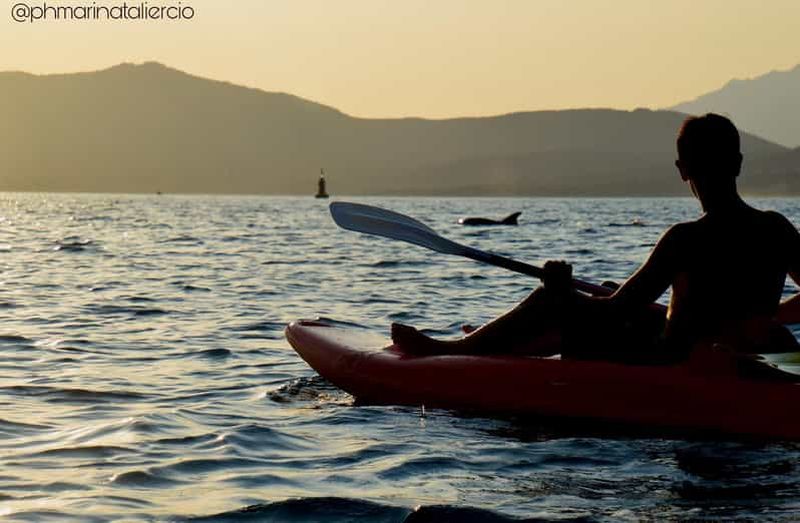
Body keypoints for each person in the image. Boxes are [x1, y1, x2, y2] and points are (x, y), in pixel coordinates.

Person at [392, 113, 800, 364]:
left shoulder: (685, 239)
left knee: (554, 301)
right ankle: (498, 341)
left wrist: (561, 289)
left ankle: (453, 352)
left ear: (682, 170)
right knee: (605, 287)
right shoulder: (777, 228)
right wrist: (764, 320)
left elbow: (615, 313)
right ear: (738, 164)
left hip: (673, 359)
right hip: (734, 351)